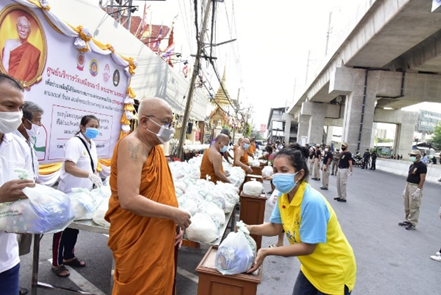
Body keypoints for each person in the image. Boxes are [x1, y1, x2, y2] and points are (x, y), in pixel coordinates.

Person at [105, 98, 191, 294]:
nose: (169, 128)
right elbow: (129, 200)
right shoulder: (132, 146)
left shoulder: (156, 149)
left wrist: (174, 223)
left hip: (159, 233)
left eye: (171, 123)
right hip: (137, 238)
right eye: (165, 122)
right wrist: (174, 214)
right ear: (144, 121)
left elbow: (162, 192)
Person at [245, 144, 356, 295]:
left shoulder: (311, 202)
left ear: (299, 174)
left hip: (333, 270)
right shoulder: (284, 196)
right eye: (275, 171)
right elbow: (275, 227)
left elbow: (308, 247)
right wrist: (249, 228)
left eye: (284, 171)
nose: (278, 175)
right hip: (311, 268)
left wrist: (267, 251)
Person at [52, 115, 103, 277]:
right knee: (62, 229)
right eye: (91, 126)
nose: (94, 129)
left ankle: (68, 256)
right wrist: (89, 175)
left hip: (83, 195)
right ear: (82, 127)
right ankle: (56, 263)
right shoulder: (75, 143)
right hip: (69, 194)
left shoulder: (91, 143)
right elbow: (69, 167)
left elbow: (90, 165)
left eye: (97, 126)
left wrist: (95, 178)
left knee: (74, 228)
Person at [0, 73, 35, 295]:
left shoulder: (19, 145)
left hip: (6, 259)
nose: (17, 115)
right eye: (9, 105)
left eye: (20, 108)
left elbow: (27, 188)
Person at [13, 100, 43, 295]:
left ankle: (12, 286)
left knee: (17, 253)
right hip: (12, 207)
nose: (39, 126)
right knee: (8, 250)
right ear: (24, 121)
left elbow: (31, 172)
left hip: (26, 204)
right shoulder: (12, 141)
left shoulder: (28, 142)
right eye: (37, 121)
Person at [2, 16, 41, 82]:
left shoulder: (34, 52)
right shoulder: (9, 43)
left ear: (29, 31)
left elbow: (32, 74)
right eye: (20, 25)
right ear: (17, 27)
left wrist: (21, 85)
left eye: (25, 27)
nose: (22, 29)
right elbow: (4, 65)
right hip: (7, 81)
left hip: (20, 86)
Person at [398, 150, 426, 231]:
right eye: (411, 155)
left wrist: (418, 190)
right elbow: (409, 177)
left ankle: (412, 223)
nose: (412, 157)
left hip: (415, 186)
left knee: (414, 205)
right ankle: (407, 220)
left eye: (413, 155)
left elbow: (422, 179)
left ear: (418, 156)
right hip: (408, 185)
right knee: (406, 204)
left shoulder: (422, 166)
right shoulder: (412, 165)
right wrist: (405, 188)